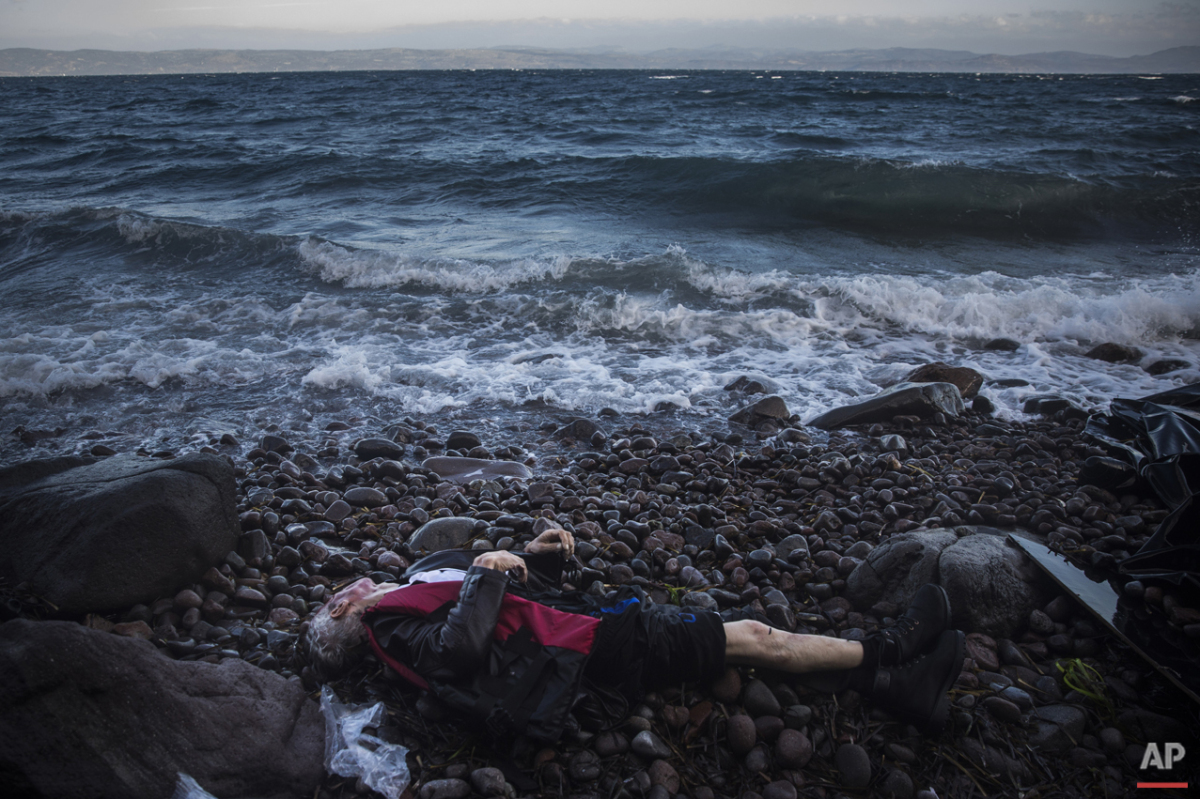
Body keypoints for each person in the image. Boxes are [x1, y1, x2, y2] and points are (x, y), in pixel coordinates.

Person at [305, 526, 965, 743]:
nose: (351, 586)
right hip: (599, 647)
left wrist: (540, 555)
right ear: (342, 611)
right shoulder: (389, 628)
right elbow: (460, 650)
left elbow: (518, 609)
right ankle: (893, 647)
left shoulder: (410, 599)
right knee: (760, 636)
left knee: (748, 645)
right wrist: (484, 570)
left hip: (589, 628)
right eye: (339, 595)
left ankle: (896, 686)